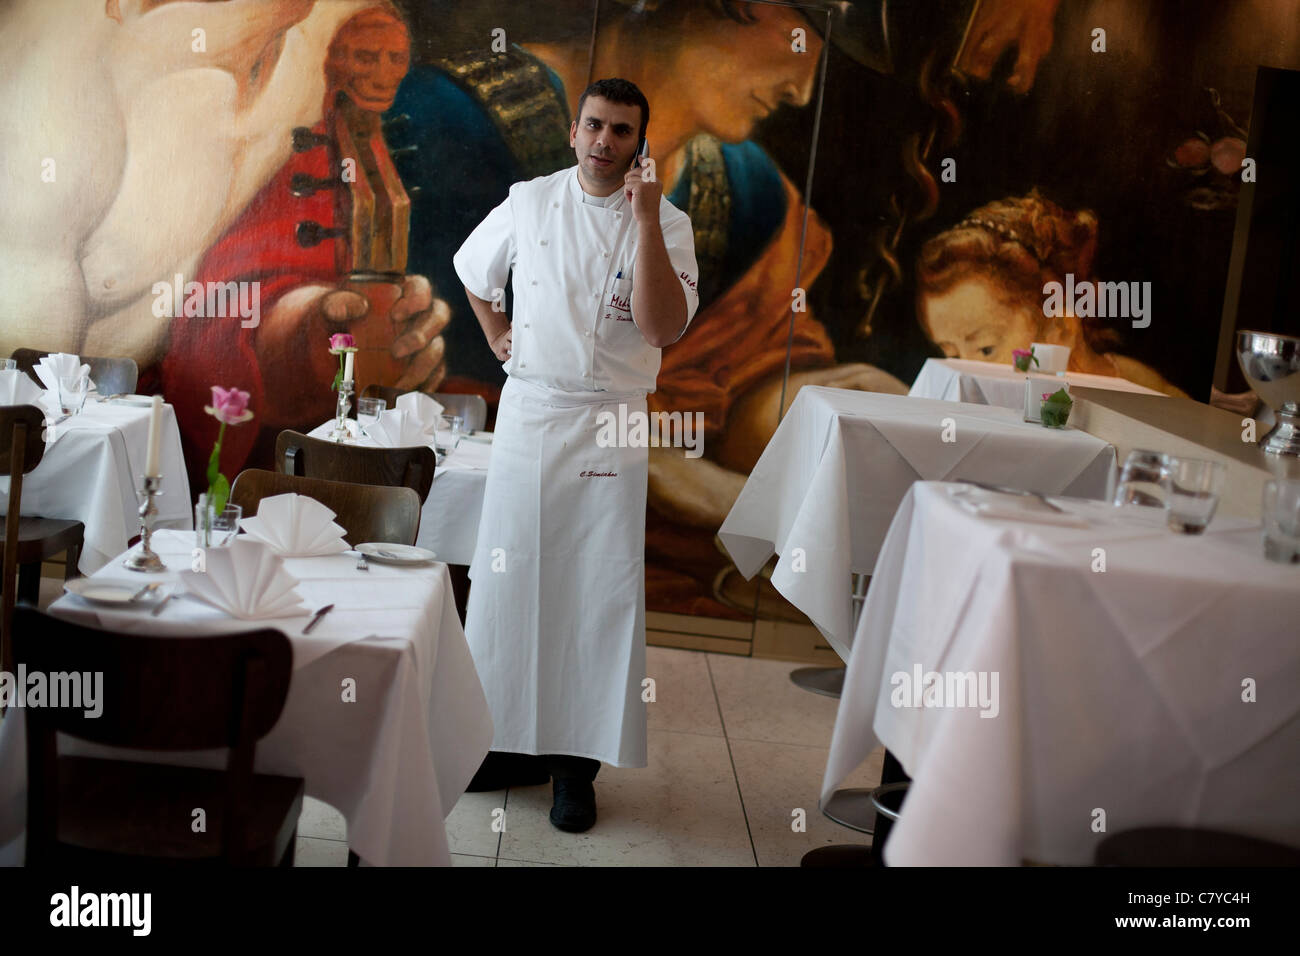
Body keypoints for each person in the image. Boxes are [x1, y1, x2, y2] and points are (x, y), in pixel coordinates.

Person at [452, 78, 699, 832]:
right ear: (573, 131)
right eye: (593, 126)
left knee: (594, 595)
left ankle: (575, 767)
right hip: (531, 411)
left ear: (640, 144)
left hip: (613, 420)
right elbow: (472, 271)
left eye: (621, 132)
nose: (604, 142)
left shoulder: (671, 222)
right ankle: (502, 739)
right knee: (511, 582)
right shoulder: (529, 201)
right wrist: (497, 331)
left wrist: (648, 220)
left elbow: (662, 328)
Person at [160, 3, 451, 486]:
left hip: (340, 441)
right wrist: (302, 321)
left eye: (395, 59)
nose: (383, 75)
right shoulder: (283, 152)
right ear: (332, 61)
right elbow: (222, 293)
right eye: (364, 57)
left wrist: (402, 334)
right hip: (270, 446)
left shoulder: (369, 150)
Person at [916, 190, 1190, 397]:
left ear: (1060, 323)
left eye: (987, 348)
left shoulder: (1137, 394)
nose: (966, 372)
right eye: (952, 355)